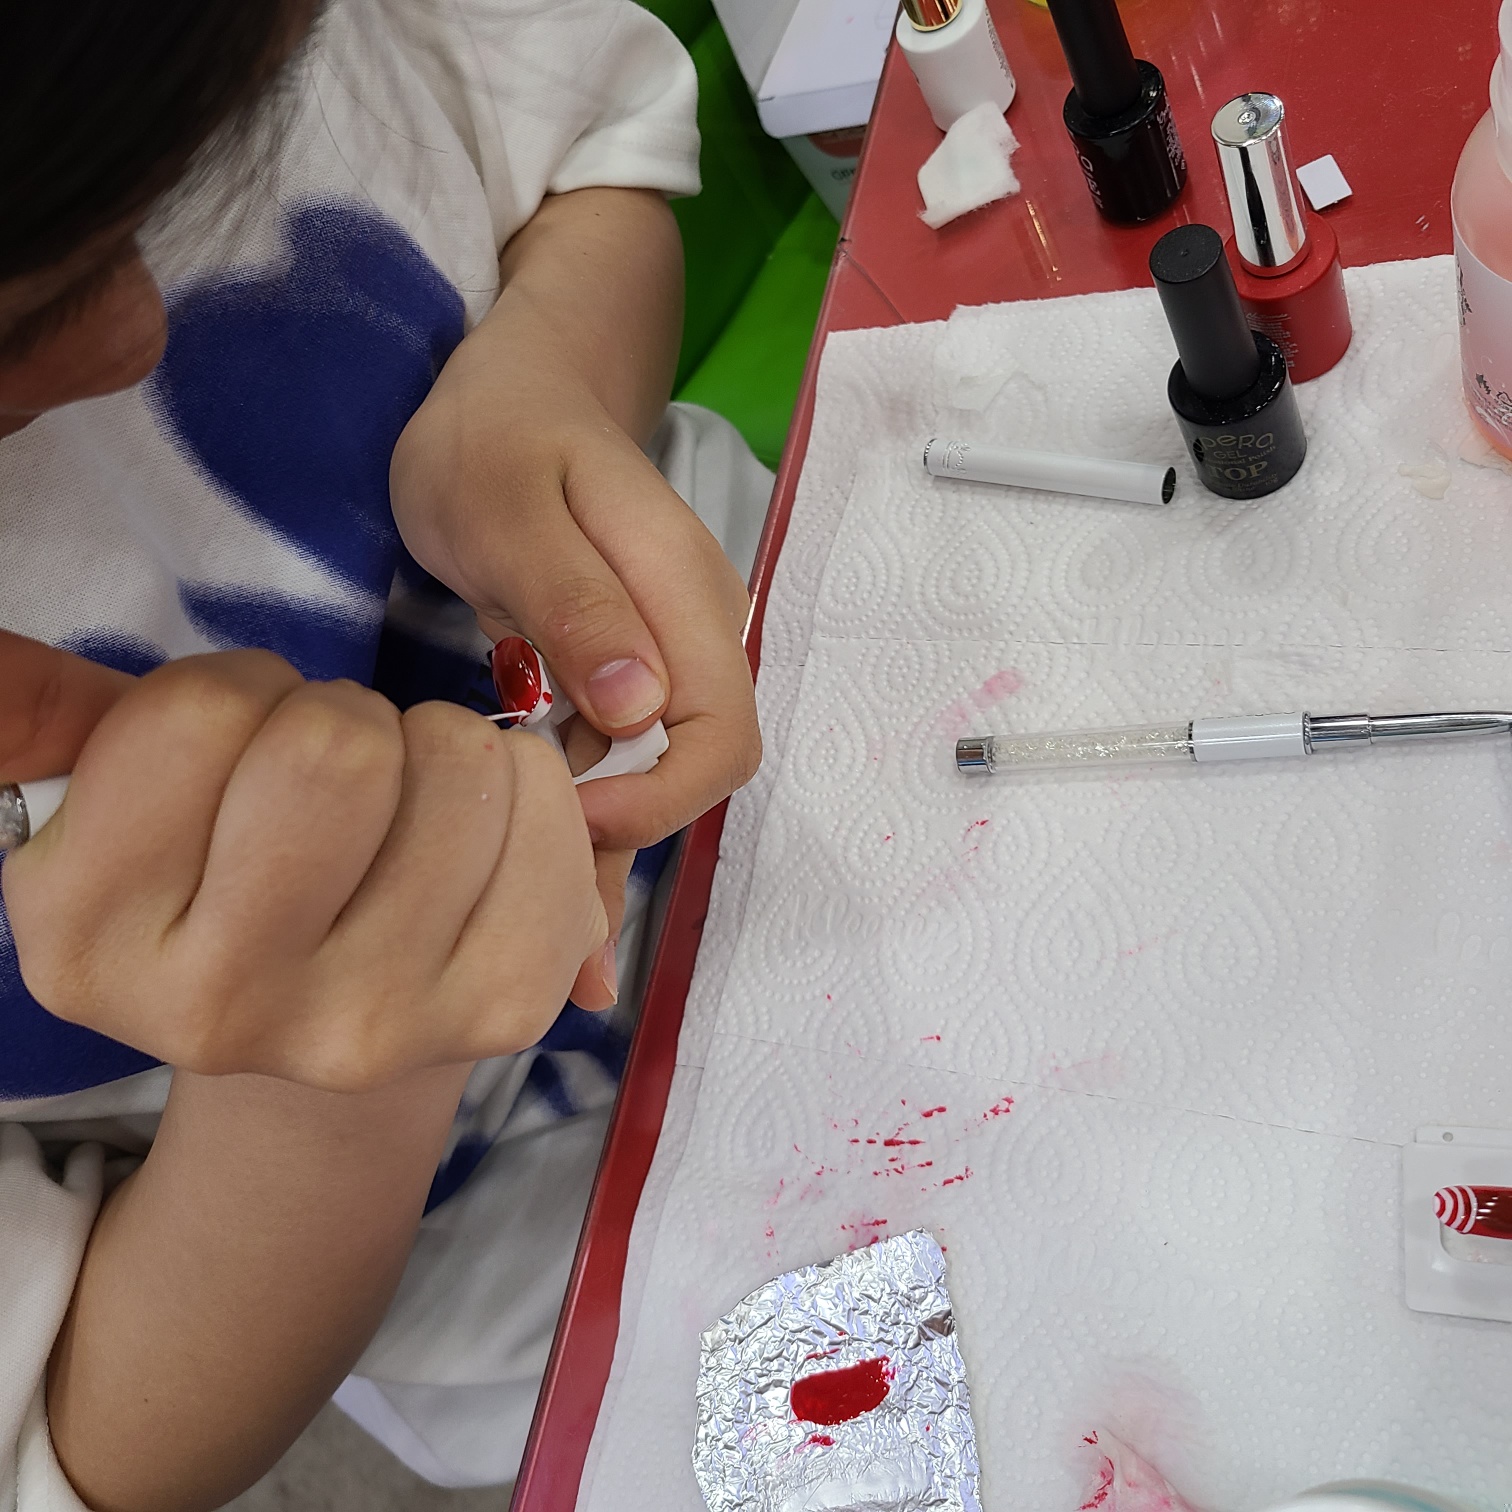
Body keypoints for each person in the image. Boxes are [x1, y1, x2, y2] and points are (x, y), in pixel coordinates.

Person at [0, 0, 764, 1505]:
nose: (131, 333)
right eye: (21, 318)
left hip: (824, 673)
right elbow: (103, 1444)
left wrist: (543, 378)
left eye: (209, 153)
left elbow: (592, 156)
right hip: (569, 1278)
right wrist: (325, 1088)